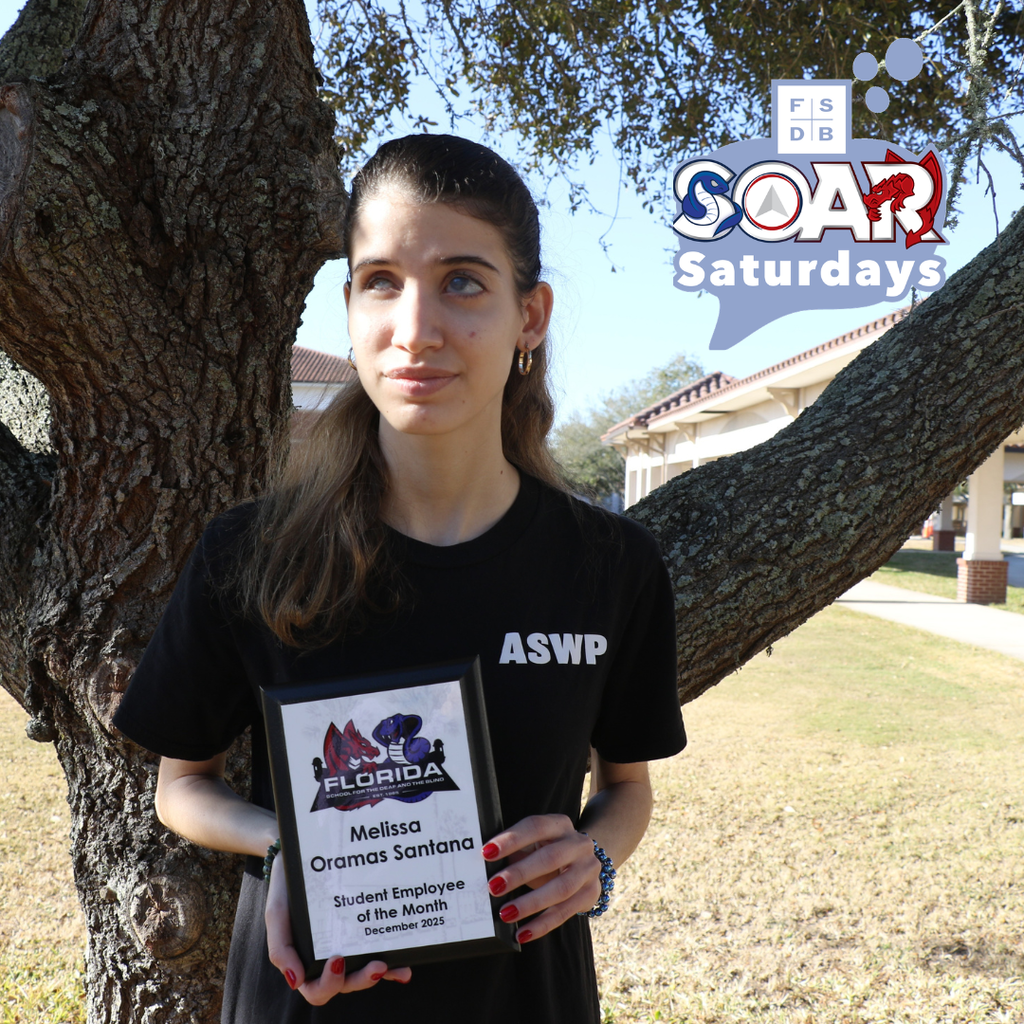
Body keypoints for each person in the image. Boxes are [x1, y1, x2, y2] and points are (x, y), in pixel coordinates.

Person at [113, 133, 686, 1024]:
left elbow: (625, 791)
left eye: (463, 281)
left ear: (529, 315)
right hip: (307, 999)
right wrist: (286, 849)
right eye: (382, 280)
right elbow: (180, 787)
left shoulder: (611, 566)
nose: (416, 330)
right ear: (349, 305)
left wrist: (594, 857)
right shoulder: (248, 555)